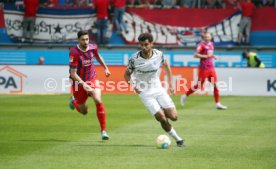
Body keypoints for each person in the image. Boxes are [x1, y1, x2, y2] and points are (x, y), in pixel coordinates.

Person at [124, 33, 184, 147]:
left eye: (146, 44)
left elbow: (166, 66)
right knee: (161, 117)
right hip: (144, 92)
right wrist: (133, 85)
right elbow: (126, 75)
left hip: (158, 89)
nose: (143, 47)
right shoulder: (134, 59)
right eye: (141, 45)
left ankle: (160, 108)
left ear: (151, 44)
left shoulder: (159, 54)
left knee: (174, 117)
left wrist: (171, 84)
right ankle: (178, 139)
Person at [69, 30, 111, 140]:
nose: (85, 42)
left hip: (92, 78)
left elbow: (98, 56)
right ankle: (74, 101)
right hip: (78, 83)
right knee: (84, 111)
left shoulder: (93, 47)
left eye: (87, 39)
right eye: (83, 40)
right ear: (78, 40)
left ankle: (104, 131)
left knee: (97, 99)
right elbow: (73, 74)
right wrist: (83, 85)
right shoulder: (74, 53)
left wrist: (105, 68)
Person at [180, 32, 227, 110]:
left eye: (208, 37)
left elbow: (209, 54)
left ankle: (218, 103)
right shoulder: (201, 45)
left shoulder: (211, 44)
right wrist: (205, 56)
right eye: (205, 37)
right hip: (204, 69)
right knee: (198, 85)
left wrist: (213, 56)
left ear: (211, 37)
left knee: (215, 85)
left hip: (211, 68)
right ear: (203, 38)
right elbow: (195, 55)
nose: (207, 38)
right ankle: (184, 95)